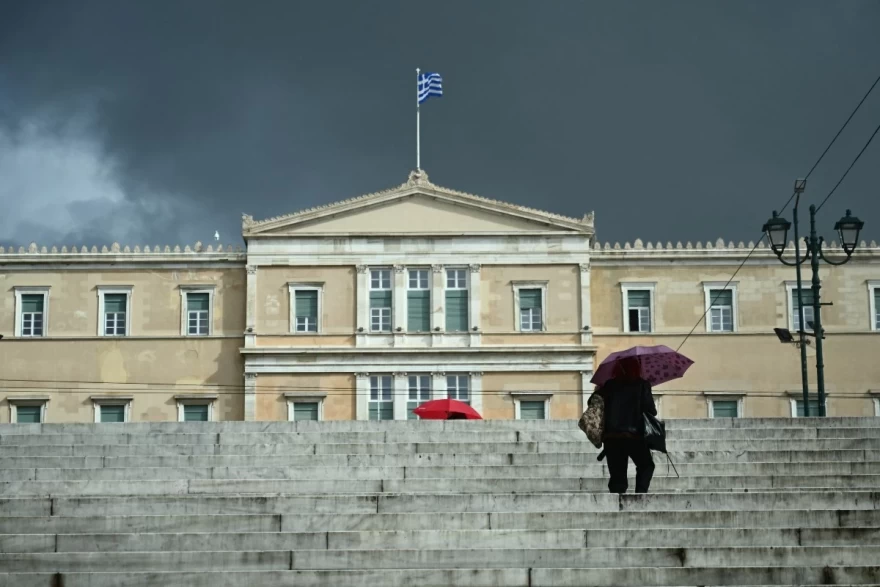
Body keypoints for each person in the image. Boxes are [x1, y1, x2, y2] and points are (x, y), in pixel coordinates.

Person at [598, 356, 657, 494]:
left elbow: (594, 405)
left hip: (612, 437)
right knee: (646, 466)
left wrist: (600, 390)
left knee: (617, 477)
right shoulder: (642, 384)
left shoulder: (609, 385)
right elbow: (651, 411)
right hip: (635, 436)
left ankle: (617, 505)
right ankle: (640, 495)